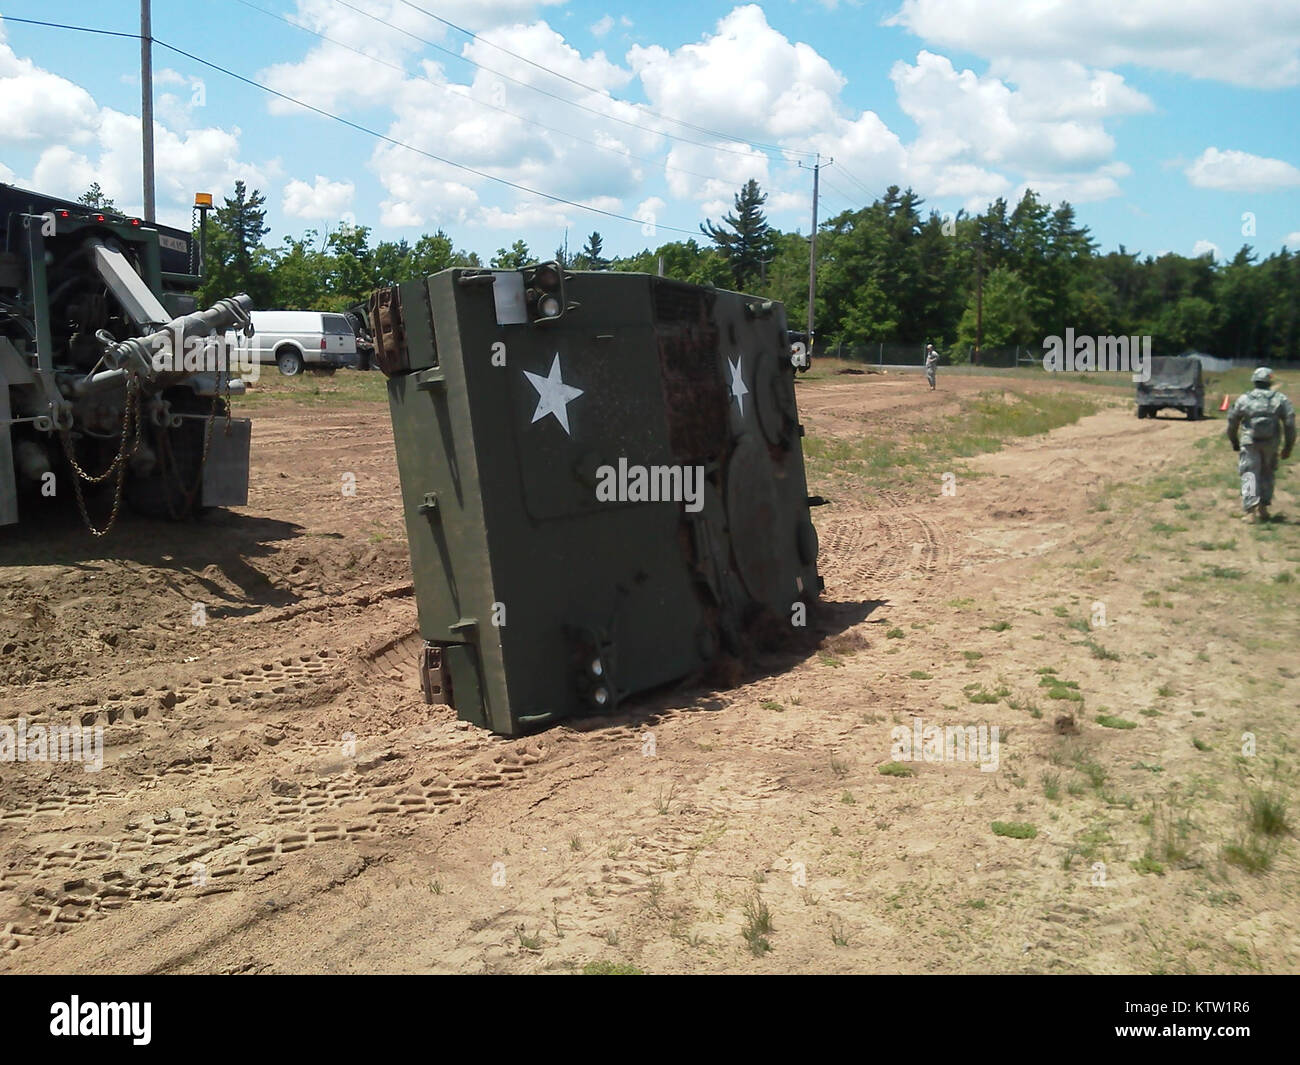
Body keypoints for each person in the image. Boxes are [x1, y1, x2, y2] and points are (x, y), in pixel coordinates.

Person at [1227, 367, 1295, 523]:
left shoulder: (1244, 399)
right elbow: (1290, 424)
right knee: (1267, 473)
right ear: (1270, 382)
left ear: (1254, 381)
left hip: (1250, 442)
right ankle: (1263, 508)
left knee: (1249, 474)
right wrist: (1288, 447)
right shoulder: (1280, 399)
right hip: (1271, 443)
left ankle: (1250, 512)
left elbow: (1232, 422)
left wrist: (1234, 441)